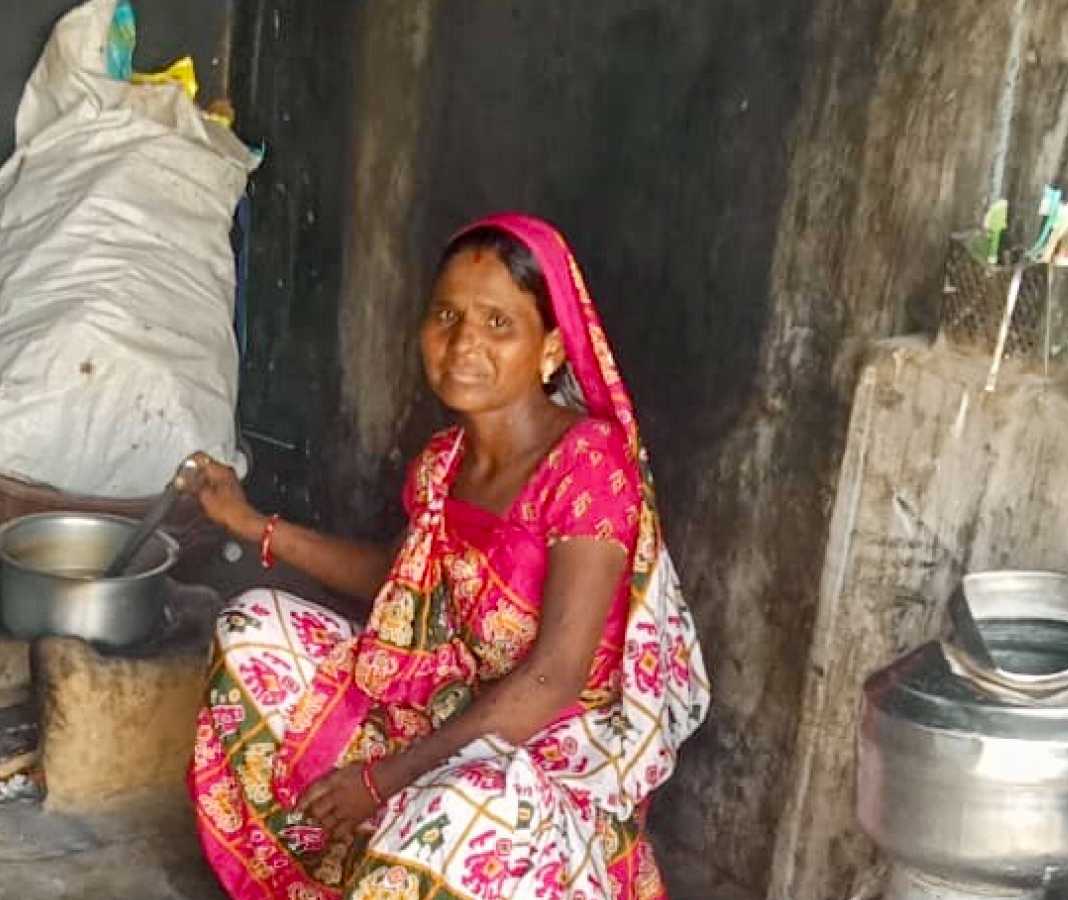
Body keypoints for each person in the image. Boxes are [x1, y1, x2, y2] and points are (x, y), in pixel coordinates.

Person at [186, 213, 710, 900]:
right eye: (447, 315)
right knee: (254, 630)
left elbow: (553, 679)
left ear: (550, 349)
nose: (464, 342)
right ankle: (342, 881)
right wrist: (254, 525)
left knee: (457, 811)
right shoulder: (443, 464)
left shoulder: (586, 465)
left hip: (545, 762)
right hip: (443, 715)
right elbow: (398, 581)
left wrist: (384, 779)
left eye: (499, 324)